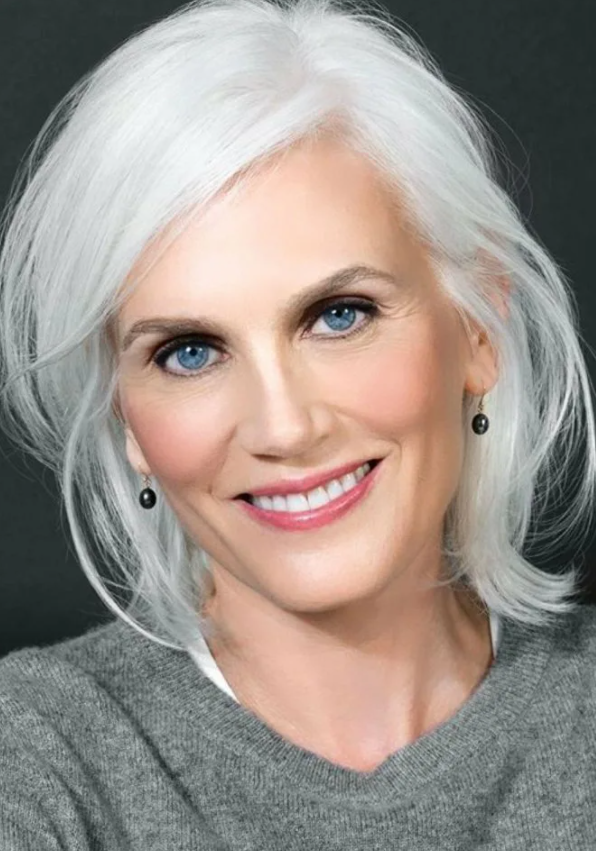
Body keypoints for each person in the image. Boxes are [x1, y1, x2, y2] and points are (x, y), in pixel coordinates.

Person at [0, 0, 595, 847]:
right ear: (123, 415)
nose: (283, 427)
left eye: (340, 315)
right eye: (190, 353)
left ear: (478, 329)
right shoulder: (37, 757)